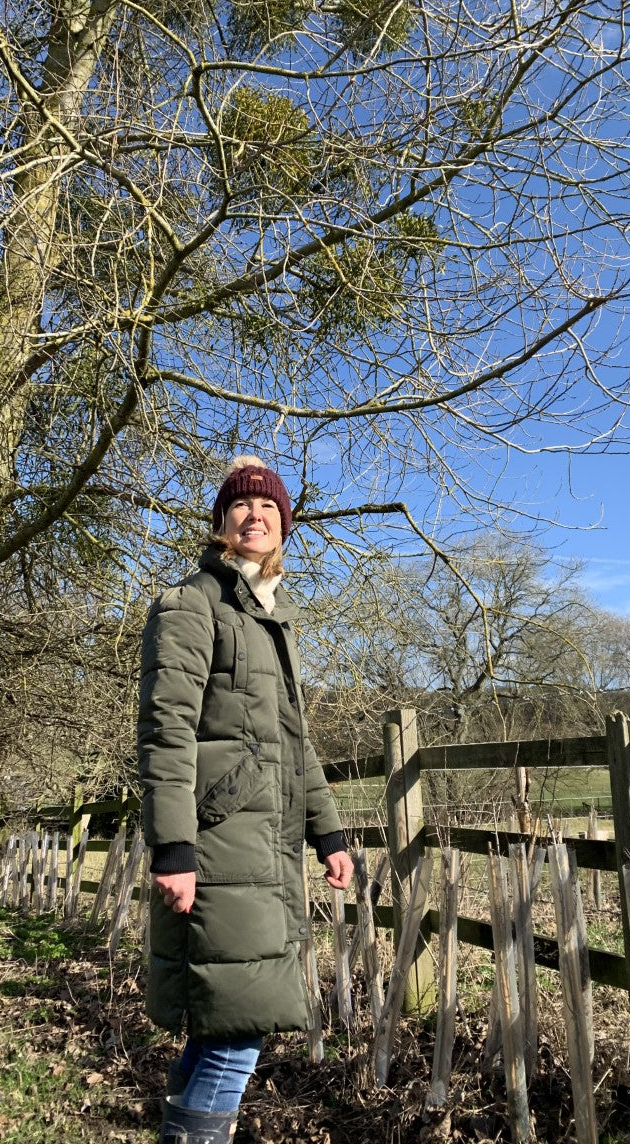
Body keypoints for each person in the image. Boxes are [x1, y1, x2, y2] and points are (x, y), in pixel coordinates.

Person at [138, 455, 354, 1144]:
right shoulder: (191, 604)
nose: (255, 515)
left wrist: (329, 834)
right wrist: (173, 846)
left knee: (220, 1025)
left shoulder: (271, 618)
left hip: (264, 852)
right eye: (241, 505)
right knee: (238, 1030)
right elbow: (167, 730)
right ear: (221, 522)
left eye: (268, 507)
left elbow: (293, 745)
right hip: (218, 849)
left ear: (284, 525)